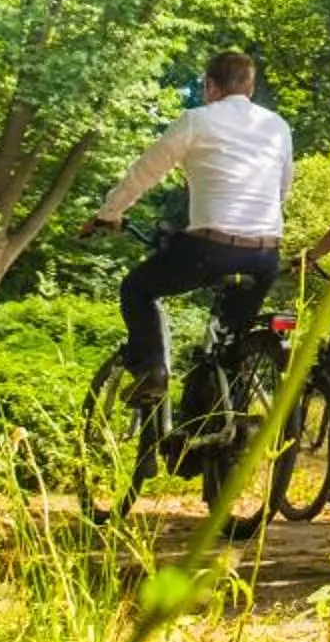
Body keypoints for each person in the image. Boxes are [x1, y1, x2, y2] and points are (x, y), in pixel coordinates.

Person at [80, 50, 293, 402]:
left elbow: (143, 173)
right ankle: (228, 430)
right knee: (232, 345)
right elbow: (282, 189)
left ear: (209, 85)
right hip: (265, 254)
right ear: (250, 89)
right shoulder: (278, 127)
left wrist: (109, 212)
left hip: (210, 251)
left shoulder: (196, 120)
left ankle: (153, 370)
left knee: (137, 289)